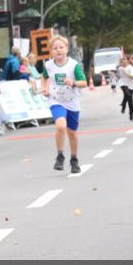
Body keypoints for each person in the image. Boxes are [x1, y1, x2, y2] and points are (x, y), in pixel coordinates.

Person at [41, 35, 88, 174]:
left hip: (72, 101)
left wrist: (73, 82)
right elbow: (44, 77)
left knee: (72, 133)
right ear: (51, 51)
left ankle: (74, 159)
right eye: (55, 48)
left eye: (61, 47)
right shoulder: (48, 65)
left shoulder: (73, 65)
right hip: (56, 100)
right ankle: (60, 155)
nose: (58, 50)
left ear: (66, 49)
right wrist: (45, 88)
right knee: (61, 125)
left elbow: (84, 83)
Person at [118, 55, 133, 121]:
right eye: (122, 59)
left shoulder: (130, 67)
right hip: (122, 83)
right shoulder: (120, 68)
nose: (123, 60)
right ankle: (123, 105)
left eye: (125, 59)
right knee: (127, 93)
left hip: (130, 83)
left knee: (130, 100)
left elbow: (132, 77)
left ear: (128, 61)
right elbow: (120, 76)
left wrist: (126, 72)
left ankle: (131, 112)